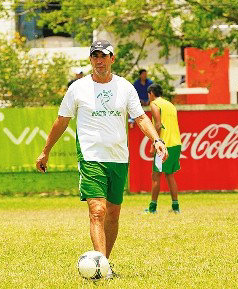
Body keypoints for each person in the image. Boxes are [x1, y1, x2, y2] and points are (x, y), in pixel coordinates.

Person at [36, 40, 168, 279]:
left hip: (118, 158)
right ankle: (102, 269)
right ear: (90, 60)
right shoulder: (77, 88)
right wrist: (46, 150)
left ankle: (104, 262)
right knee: (98, 210)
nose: (99, 61)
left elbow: (140, 118)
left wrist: (156, 139)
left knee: (113, 214)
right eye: (95, 56)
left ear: (112, 59)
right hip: (90, 157)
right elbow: (61, 121)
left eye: (103, 56)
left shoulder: (125, 87)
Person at [144, 83, 182, 214]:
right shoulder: (170, 105)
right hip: (176, 143)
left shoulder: (154, 104)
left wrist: (154, 144)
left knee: (155, 175)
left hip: (164, 146)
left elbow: (158, 125)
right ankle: (176, 207)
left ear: (151, 94)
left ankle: (152, 208)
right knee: (170, 175)